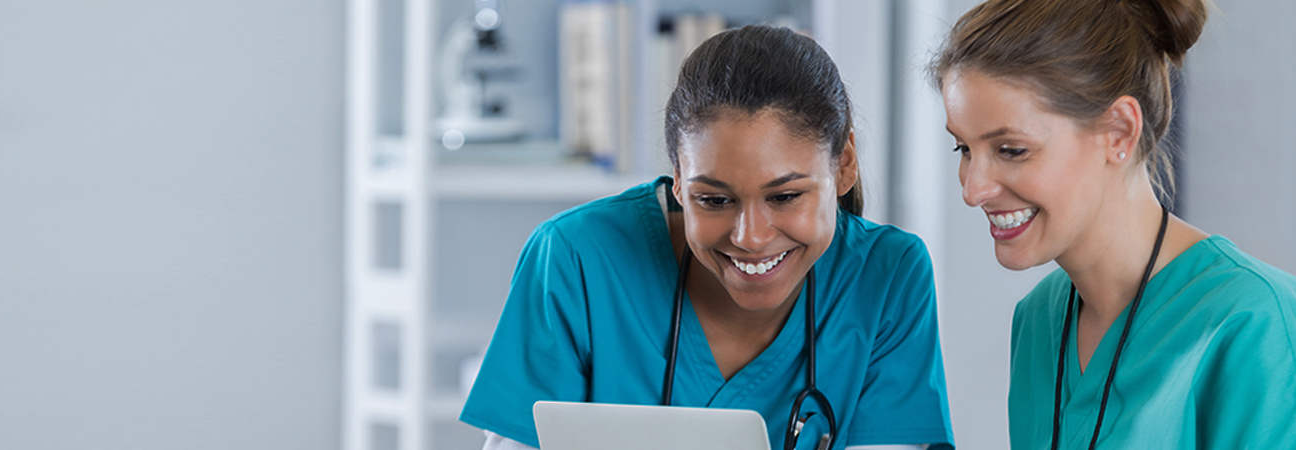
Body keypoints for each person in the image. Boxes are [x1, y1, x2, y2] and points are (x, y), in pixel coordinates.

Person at [460, 25, 955, 450]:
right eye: (714, 201)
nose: (751, 237)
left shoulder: (889, 275)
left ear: (844, 164)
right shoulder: (576, 259)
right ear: (678, 178)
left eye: (784, 197)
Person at [934, 0, 1296, 448]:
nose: (972, 189)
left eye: (1011, 150)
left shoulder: (1258, 326)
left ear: (1120, 132)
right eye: (963, 149)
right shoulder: (1038, 321)